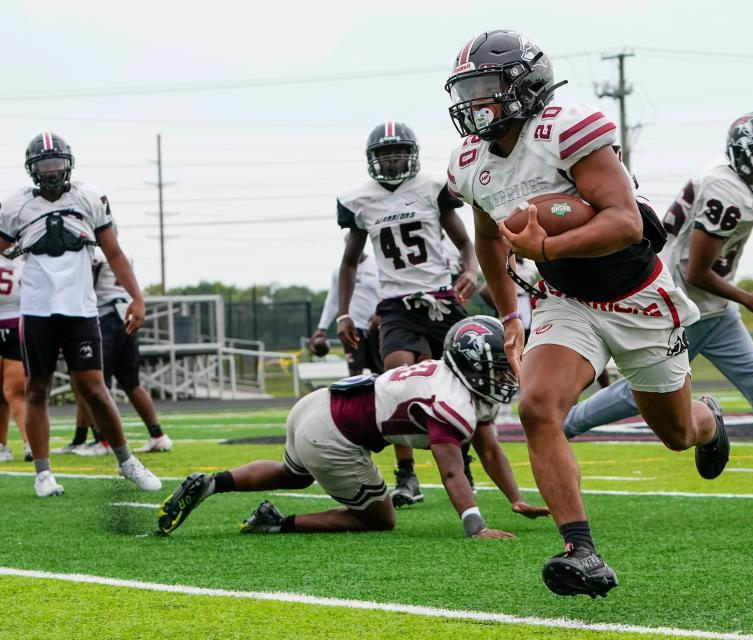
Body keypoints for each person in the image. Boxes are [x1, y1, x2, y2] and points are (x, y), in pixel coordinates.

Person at [445, 30, 728, 598]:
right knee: (537, 406)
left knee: (675, 434)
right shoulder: (470, 162)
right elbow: (488, 241)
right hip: (566, 300)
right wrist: (510, 318)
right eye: (468, 90)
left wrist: (546, 248)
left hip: (640, 296)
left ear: (524, 84)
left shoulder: (568, 127)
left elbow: (624, 221)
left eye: (487, 88)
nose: (475, 103)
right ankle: (583, 551)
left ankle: (708, 419)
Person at [562, 112, 753, 510]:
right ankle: (566, 424)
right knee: (647, 392)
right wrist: (747, 297)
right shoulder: (727, 191)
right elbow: (696, 272)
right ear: (744, 156)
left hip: (713, 310)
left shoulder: (735, 182)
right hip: (683, 305)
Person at [157, 316, 548, 537]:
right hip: (334, 434)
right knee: (380, 520)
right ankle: (277, 523)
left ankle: (213, 482)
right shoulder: (451, 401)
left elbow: (489, 448)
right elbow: (451, 469)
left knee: (294, 475)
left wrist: (515, 498)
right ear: (474, 364)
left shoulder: (450, 379)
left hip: (317, 405)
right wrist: (475, 525)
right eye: (501, 365)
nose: (508, 373)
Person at [0, 132, 161, 496]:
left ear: (69, 164)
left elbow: (115, 253)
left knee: (95, 388)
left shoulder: (88, 198)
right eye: (44, 165)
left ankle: (126, 461)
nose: (52, 171)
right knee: (35, 388)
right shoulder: (15, 207)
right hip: (37, 310)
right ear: (32, 170)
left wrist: (137, 298)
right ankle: (43, 473)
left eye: (57, 163)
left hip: (80, 309)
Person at [336, 121, 479, 508]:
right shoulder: (359, 200)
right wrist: (343, 314)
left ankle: (462, 463)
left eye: (397, 152)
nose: (392, 159)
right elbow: (349, 263)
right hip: (396, 304)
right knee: (394, 382)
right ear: (372, 160)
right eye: (384, 154)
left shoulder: (433, 188)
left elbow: (466, 243)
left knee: (453, 383)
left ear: (411, 154)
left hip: (441, 299)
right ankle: (407, 475)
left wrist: (470, 269)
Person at [64, 247, 173, 455]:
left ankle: (103, 441)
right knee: (132, 383)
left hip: (105, 318)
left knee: (90, 382)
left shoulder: (96, 255)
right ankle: (158, 435)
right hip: (125, 314)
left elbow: (83, 284)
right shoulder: (122, 254)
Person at [309, 248, 383, 377]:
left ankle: (380, 397)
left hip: (376, 326)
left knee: (380, 369)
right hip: (353, 326)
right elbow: (332, 300)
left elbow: (389, 290)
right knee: (355, 370)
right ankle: (356, 397)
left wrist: (381, 313)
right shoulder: (340, 271)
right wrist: (322, 328)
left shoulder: (377, 265)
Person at [0, 253, 28, 462]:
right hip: (18, 324)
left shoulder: (26, 257)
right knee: (13, 392)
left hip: (17, 325)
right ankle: (6, 445)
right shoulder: (25, 258)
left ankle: (28, 442)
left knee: (15, 391)